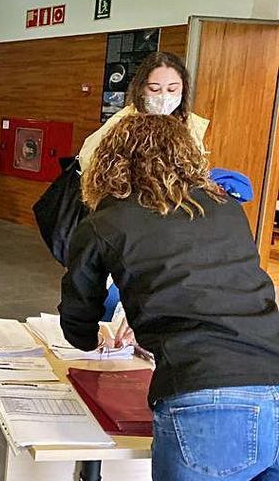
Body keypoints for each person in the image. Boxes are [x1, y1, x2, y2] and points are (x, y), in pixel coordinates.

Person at [59, 114, 279, 481]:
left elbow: (77, 319)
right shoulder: (225, 207)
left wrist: (90, 337)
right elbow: (209, 283)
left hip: (207, 396)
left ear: (111, 162)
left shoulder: (106, 222)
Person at [78, 51, 209, 172]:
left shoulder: (190, 123)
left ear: (183, 88)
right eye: (154, 89)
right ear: (141, 89)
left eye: (172, 89)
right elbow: (89, 161)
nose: (164, 97)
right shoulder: (122, 123)